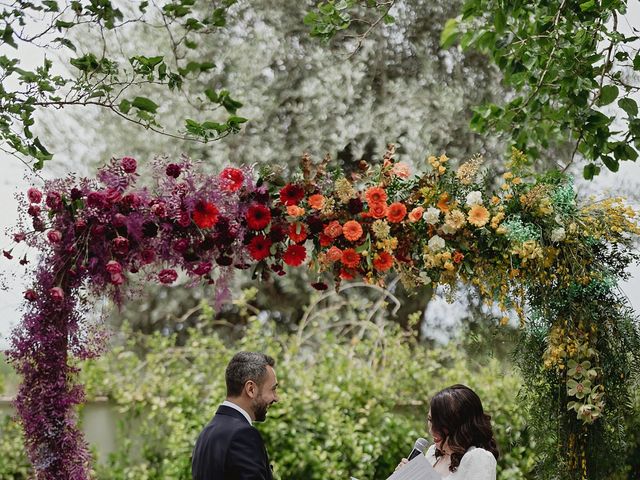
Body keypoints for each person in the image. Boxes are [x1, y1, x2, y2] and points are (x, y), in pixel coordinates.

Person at [191, 351, 279, 480]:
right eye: (273, 389)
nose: (276, 398)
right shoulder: (243, 435)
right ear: (251, 389)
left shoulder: (206, 434)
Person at [396, 384, 499, 479]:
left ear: (461, 425)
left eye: (441, 424)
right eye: (430, 420)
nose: (432, 430)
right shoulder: (432, 453)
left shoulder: (478, 457)